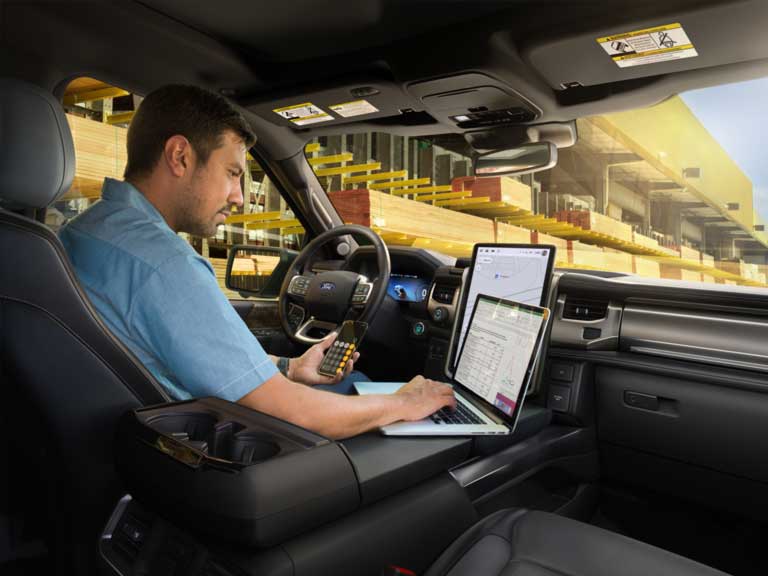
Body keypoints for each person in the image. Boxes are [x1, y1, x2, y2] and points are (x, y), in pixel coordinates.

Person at [59, 85, 455, 439]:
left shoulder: (85, 231)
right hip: (191, 455)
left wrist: (289, 368)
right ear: (179, 156)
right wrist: (405, 403)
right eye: (232, 173)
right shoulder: (165, 267)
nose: (240, 198)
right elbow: (299, 413)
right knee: (369, 388)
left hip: (119, 439)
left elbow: (189, 351)